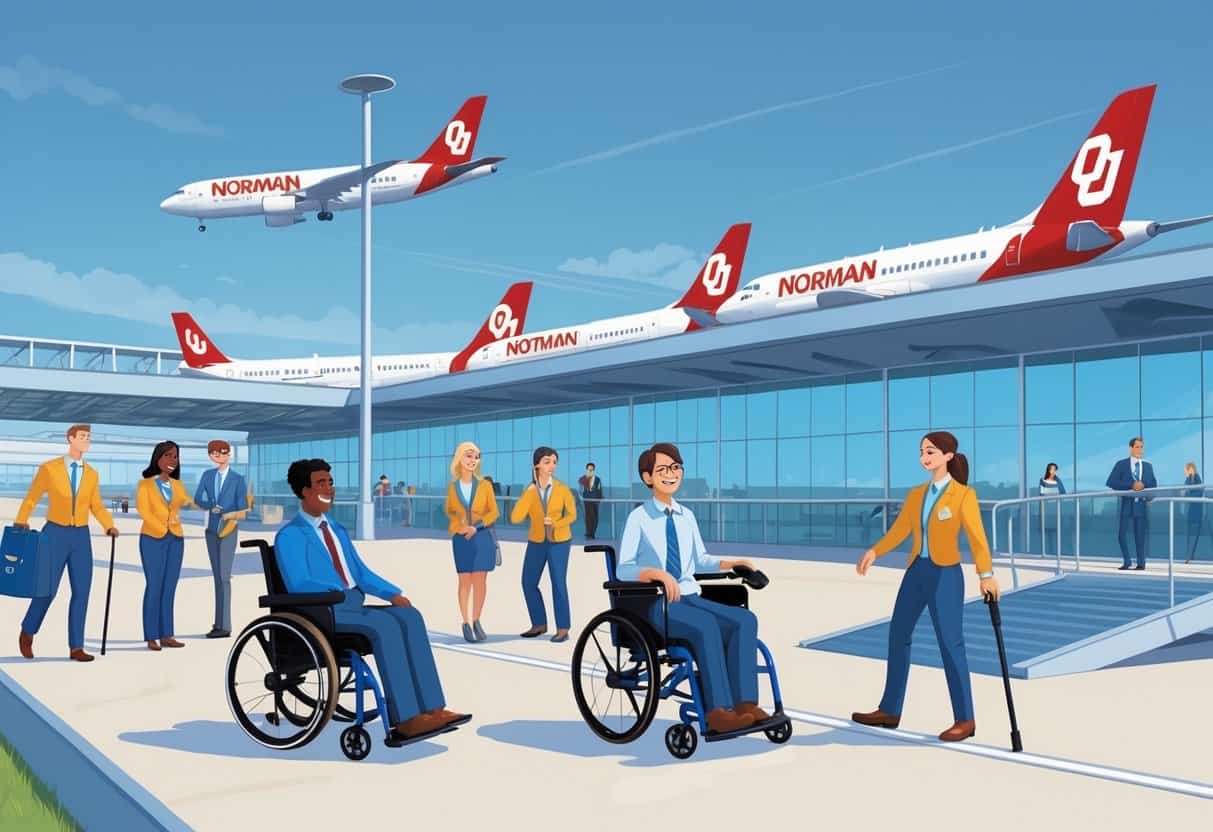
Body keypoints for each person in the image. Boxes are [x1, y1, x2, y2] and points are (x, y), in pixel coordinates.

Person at [275, 459, 469, 739]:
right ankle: (407, 719)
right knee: (385, 626)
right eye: (321, 483)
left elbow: (361, 573)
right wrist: (335, 589)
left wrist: (392, 593)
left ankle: (433, 708)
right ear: (304, 490)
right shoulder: (291, 535)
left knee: (410, 617)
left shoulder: (337, 530)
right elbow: (298, 583)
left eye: (330, 483)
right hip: (323, 610)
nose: (329, 489)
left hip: (352, 605)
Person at [852, 431, 998, 743]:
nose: (924, 457)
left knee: (950, 643)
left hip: (945, 574)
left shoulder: (963, 495)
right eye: (922, 452)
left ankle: (965, 719)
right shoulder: (917, 494)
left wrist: (986, 574)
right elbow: (900, 530)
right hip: (917, 570)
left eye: (930, 451)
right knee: (898, 634)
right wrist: (875, 551)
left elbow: (977, 538)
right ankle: (890, 709)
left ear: (948, 456)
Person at [617, 442, 764, 735]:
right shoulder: (639, 518)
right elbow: (623, 568)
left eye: (675, 467)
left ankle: (745, 704)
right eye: (662, 469)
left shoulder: (687, 516)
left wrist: (733, 563)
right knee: (706, 626)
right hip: (658, 604)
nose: (670, 474)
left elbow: (700, 560)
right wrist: (655, 574)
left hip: (691, 596)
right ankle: (718, 712)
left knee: (745, 620)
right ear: (647, 477)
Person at [14, 424, 119, 662]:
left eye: (88, 437)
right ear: (70, 438)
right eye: (82, 436)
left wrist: (108, 525)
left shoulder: (91, 474)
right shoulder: (49, 469)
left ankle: (76, 646)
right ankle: (28, 630)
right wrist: (21, 520)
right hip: (54, 534)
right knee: (47, 589)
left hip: (80, 536)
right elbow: (32, 497)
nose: (87, 440)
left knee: (82, 591)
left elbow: (96, 505)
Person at [136, 441, 198, 651]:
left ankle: (167, 634)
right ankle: (151, 636)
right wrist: (161, 526)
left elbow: (189, 502)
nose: (172, 460)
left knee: (169, 587)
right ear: (158, 458)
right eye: (168, 455)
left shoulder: (178, 485)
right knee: (154, 586)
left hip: (176, 539)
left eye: (175, 456)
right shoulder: (145, 485)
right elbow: (144, 511)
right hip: (152, 538)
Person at [511, 446, 577, 643]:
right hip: (537, 541)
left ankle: (563, 628)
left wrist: (556, 523)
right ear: (536, 465)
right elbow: (515, 517)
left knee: (558, 583)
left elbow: (572, 515)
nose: (552, 466)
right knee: (528, 582)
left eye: (554, 462)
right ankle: (539, 624)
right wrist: (529, 492)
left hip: (559, 542)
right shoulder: (530, 491)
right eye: (547, 462)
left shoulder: (562, 489)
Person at [444, 442, 499, 643]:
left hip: (481, 536)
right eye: (469, 456)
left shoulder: (485, 485)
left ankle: (477, 620)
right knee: (464, 580)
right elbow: (449, 511)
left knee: (480, 581)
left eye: (476, 457)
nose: (473, 460)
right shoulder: (452, 488)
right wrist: (458, 526)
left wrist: (476, 526)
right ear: (459, 458)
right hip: (461, 539)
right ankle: (466, 622)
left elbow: (493, 512)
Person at [193, 439, 248, 639]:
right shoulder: (207, 476)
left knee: (224, 577)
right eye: (216, 453)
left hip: (228, 530)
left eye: (224, 452)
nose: (220, 456)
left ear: (229, 454)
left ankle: (225, 625)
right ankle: (218, 623)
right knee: (217, 577)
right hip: (211, 530)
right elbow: (197, 498)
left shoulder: (238, 479)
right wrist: (211, 506)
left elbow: (243, 510)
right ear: (211, 456)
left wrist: (228, 514)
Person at [1106, 437, 1157, 570]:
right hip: (1126, 506)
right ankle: (1127, 561)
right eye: (1137, 447)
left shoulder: (1148, 466)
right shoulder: (1121, 464)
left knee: (1140, 536)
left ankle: (1141, 563)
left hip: (1141, 507)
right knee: (1122, 535)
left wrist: (1144, 486)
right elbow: (1111, 482)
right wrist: (1131, 485)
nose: (1140, 450)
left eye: (1142, 447)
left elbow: (1153, 485)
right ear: (1131, 448)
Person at [1038, 463, 1066, 556]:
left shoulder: (1058, 481)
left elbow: (1063, 493)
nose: (1053, 471)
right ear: (1048, 470)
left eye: (1055, 469)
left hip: (1055, 509)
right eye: (1051, 469)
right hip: (1046, 509)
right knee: (1047, 532)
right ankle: (1047, 552)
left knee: (1057, 531)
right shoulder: (1043, 480)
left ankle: (1058, 552)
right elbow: (1041, 494)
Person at [1184, 462, 1205, 563]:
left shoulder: (1196, 478)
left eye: (1186, 470)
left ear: (1190, 469)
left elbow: (1199, 492)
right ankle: (1189, 556)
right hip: (1192, 510)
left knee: (1194, 534)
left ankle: (1191, 555)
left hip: (1196, 510)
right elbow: (1186, 494)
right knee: (1191, 534)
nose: (1185, 472)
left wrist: (1187, 495)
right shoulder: (1189, 479)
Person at [579, 463, 603, 539]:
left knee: (595, 517)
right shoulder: (583, 479)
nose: (590, 471)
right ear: (586, 470)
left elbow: (599, 490)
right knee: (588, 516)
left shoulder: (597, 479)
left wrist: (598, 500)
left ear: (593, 470)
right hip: (587, 500)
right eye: (589, 470)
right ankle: (589, 533)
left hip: (595, 501)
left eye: (591, 470)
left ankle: (592, 533)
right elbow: (581, 490)